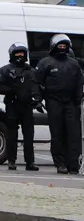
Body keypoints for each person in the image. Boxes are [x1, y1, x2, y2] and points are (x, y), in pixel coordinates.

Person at [35, 33, 83, 175]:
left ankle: (73, 164)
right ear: (54, 46)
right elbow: (36, 82)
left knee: (73, 134)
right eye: (60, 45)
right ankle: (60, 163)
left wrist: (78, 100)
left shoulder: (74, 64)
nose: (62, 47)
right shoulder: (45, 63)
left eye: (64, 45)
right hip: (53, 101)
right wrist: (37, 100)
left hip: (71, 104)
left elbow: (79, 82)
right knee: (57, 133)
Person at [0, 42, 40, 171]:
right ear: (12, 54)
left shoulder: (31, 71)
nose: (20, 55)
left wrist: (37, 100)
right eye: (17, 53)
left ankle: (30, 162)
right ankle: (11, 161)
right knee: (12, 134)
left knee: (29, 135)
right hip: (12, 105)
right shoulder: (5, 70)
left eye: (22, 53)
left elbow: (36, 87)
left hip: (27, 107)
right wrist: (12, 91)